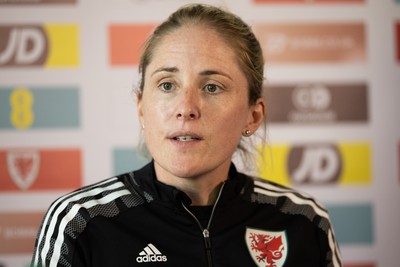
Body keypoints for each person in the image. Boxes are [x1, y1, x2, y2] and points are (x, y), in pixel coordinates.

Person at [31, 3, 342, 267]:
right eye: (167, 85)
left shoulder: (303, 221)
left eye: (212, 87)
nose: (186, 108)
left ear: (253, 115)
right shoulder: (81, 222)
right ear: (142, 108)